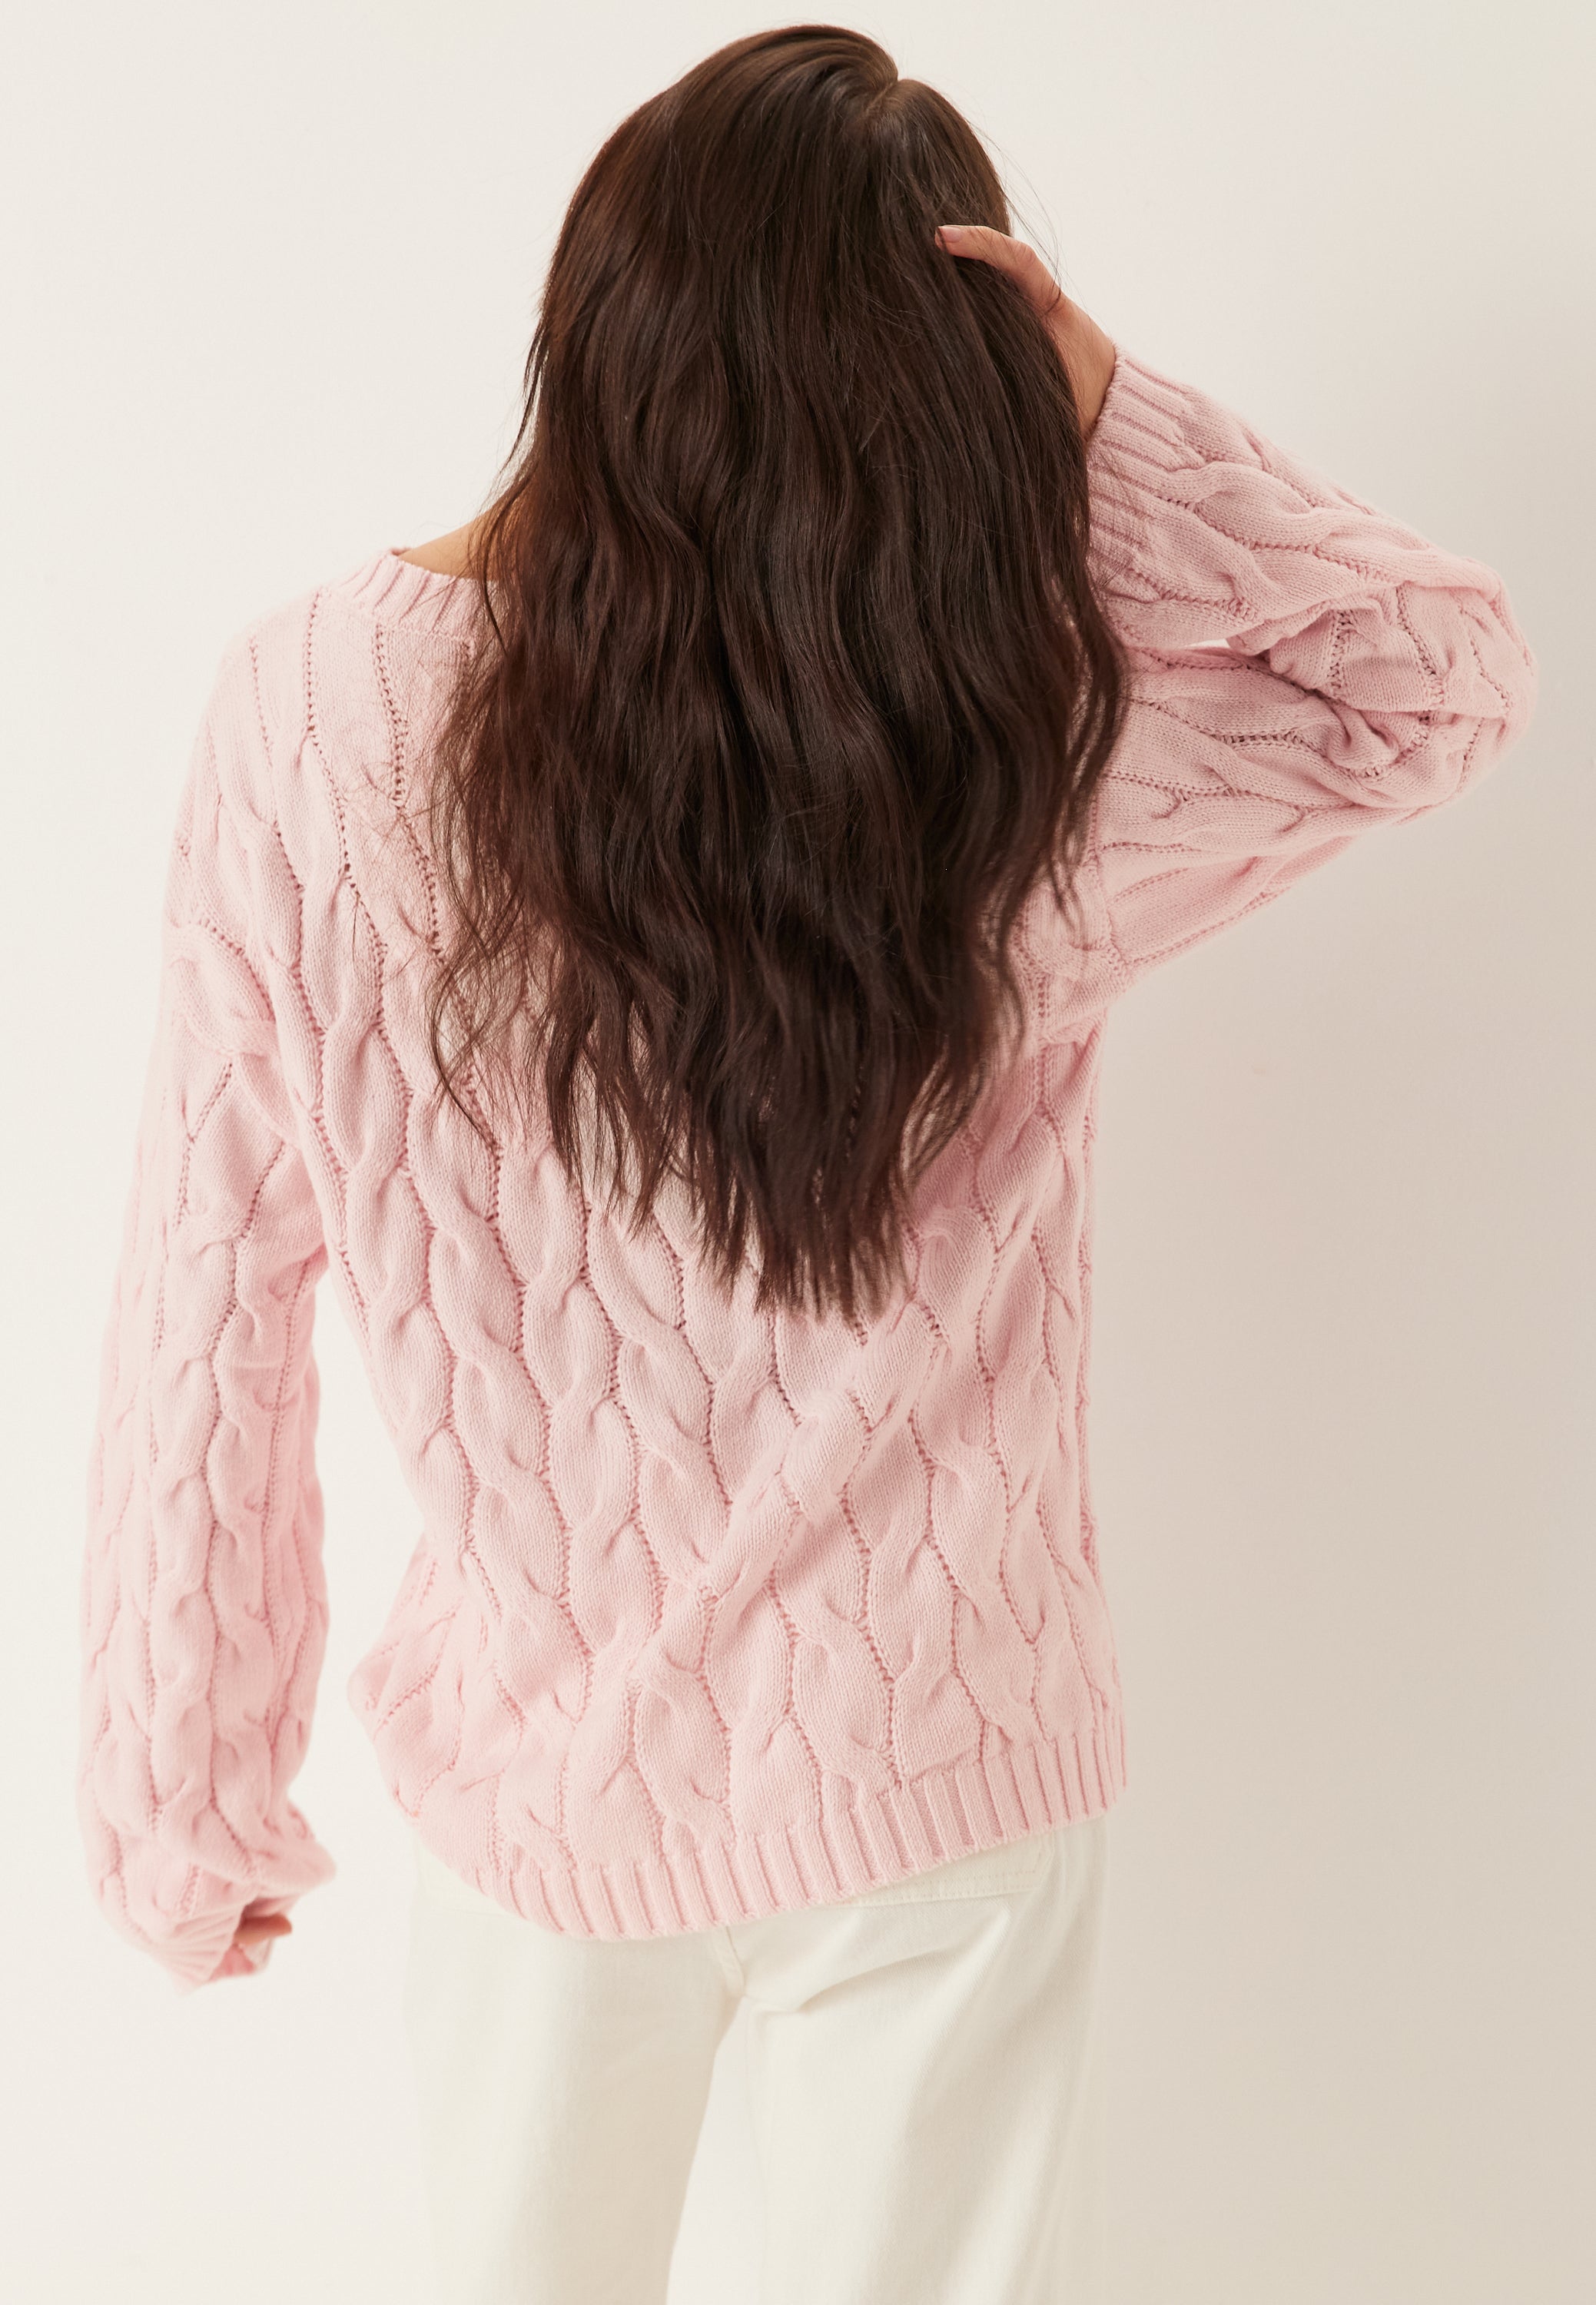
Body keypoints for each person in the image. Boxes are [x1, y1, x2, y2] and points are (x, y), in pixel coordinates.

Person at [76, 22, 1538, 2305]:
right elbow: (1432, 679)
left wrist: (182, 1783)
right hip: (936, 1767)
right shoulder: (1002, 770)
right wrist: (1111, 406)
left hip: (543, 1789)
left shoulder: (302, 717)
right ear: (932, 405)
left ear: (593, 324)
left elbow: (213, 1267)